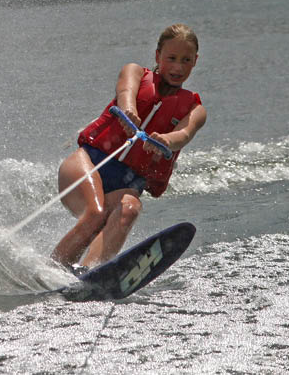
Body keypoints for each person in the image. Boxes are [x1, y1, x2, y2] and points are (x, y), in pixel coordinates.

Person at [51, 23, 206, 273]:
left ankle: (89, 274)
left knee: (130, 209)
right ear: (157, 56)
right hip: (88, 164)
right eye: (171, 58)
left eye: (186, 60)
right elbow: (126, 91)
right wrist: (129, 111)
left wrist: (168, 140)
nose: (178, 67)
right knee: (95, 213)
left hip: (127, 183)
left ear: (195, 61)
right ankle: (52, 270)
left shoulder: (195, 109)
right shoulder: (135, 72)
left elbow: (184, 133)